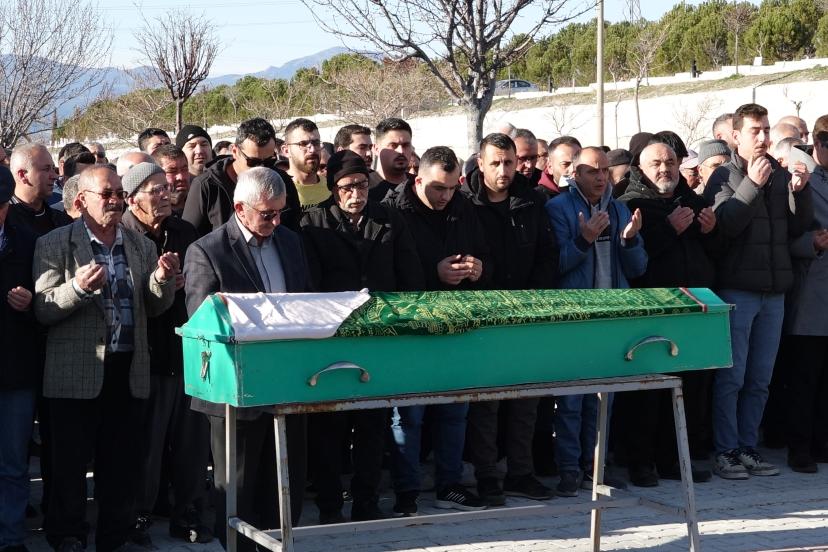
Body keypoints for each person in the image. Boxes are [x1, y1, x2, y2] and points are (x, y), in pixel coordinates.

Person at [32, 165, 177, 552]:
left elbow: (154, 307)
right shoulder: (54, 243)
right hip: (74, 375)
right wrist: (78, 289)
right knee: (69, 466)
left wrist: (163, 280)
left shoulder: (141, 245)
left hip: (127, 371)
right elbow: (43, 308)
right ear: (81, 201)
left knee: (122, 465)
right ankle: (68, 535)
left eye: (119, 194)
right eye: (107, 194)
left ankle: (115, 537)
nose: (116, 200)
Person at [184, 167, 309, 552]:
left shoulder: (290, 241)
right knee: (237, 491)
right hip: (236, 391)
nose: (275, 222)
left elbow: (305, 301)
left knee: (284, 487)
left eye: (281, 212)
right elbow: (201, 324)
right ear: (240, 208)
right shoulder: (207, 251)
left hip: (287, 383)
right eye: (267, 214)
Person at [300, 150, 424, 523]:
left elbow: (409, 275)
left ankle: (367, 501)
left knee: (373, 423)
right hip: (333, 338)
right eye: (347, 187)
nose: (356, 193)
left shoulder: (389, 219)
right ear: (333, 188)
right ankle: (329, 505)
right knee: (330, 427)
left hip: (378, 335)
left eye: (361, 185)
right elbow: (310, 286)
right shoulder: (313, 223)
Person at [703, 103, 813, 480]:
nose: (764, 137)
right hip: (738, 290)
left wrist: (800, 191)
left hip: (773, 291)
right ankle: (726, 450)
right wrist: (752, 183)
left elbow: (797, 226)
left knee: (760, 379)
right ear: (736, 136)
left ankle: (748, 446)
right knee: (732, 378)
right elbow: (726, 225)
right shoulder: (723, 176)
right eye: (755, 130)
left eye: (766, 129)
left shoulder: (778, 175)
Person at [383, 146, 489, 515]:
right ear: (418, 180)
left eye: (452, 188)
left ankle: (450, 485)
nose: (445, 196)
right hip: (410, 329)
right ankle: (407, 491)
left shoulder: (463, 206)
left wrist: (478, 270)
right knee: (409, 415)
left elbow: (483, 252)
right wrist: (434, 273)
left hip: (456, 324)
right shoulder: (393, 211)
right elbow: (388, 274)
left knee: (454, 411)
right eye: (438, 188)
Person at [617, 142, 721, 486]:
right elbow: (634, 260)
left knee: (690, 388)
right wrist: (667, 229)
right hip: (652, 310)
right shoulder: (629, 204)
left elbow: (715, 252)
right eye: (657, 163)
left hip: (692, 309)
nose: (665, 169)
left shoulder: (692, 201)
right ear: (640, 169)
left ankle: (675, 459)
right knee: (649, 392)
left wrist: (711, 231)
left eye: (671, 162)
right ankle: (641, 462)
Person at [462, 133, 558, 505]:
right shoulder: (465, 203)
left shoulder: (531, 200)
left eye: (509, 163)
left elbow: (547, 255)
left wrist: (532, 299)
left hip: (526, 312)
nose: (503, 171)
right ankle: (487, 475)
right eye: (495, 163)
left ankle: (521, 472)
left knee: (526, 400)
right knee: (486, 402)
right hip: (483, 314)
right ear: (480, 163)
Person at [545, 146, 646, 497]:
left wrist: (629, 240)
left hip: (610, 317)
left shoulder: (618, 209)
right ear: (576, 174)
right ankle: (568, 470)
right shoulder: (558, 208)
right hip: (575, 318)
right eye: (592, 171)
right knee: (571, 401)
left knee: (603, 400)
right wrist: (584, 238)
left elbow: (638, 268)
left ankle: (595, 467)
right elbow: (556, 265)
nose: (601, 177)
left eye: (605, 170)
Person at [118, 163, 210, 545]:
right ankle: (137, 517)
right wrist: (160, 283)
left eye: (166, 187)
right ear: (132, 199)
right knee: (146, 446)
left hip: (185, 351)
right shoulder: (122, 234)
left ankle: (187, 511)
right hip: (145, 355)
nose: (164, 195)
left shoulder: (183, 231)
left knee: (191, 443)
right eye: (154, 190)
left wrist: (188, 282)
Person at [779, 114, 828, 473]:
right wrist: (812, 244)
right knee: (804, 377)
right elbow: (782, 235)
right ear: (818, 144)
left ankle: (822, 442)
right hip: (811, 290)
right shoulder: (797, 175)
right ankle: (799, 447)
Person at [0, 165, 44, 552]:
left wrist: (31, 303)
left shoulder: (28, 241)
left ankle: (12, 538)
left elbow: (48, 303)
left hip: (15, 370)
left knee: (14, 463)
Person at [183, 117, 300, 235]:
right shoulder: (206, 185)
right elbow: (188, 237)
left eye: (269, 162)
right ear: (235, 151)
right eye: (253, 162)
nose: (261, 168)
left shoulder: (282, 181)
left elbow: (293, 233)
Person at [371, 118, 415, 202]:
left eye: (405, 145)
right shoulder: (363, 188)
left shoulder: (420, 186)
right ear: (376, 149)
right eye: (393, 145)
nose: (401, 151)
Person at [536, 136, 581, 200]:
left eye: (578, 163)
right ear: (550, 167)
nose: (573, 169)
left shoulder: (592, 192)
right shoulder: (537, 199)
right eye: (565, 164)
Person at [152, 144, 191, 215]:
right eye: (172, 171)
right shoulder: (154, 215)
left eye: (184, 169)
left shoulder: (202, 203)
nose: (181, 177)